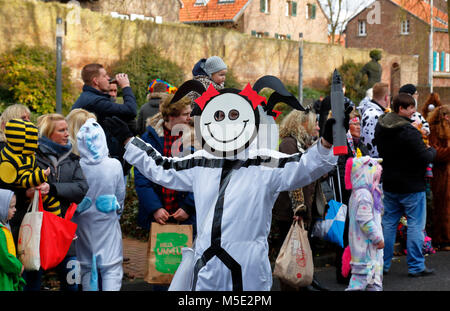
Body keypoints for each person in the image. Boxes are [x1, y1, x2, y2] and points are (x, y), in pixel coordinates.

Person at [103, 76, 348, 291]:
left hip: (248, 267)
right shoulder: (201, 162)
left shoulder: (265, 163)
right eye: (219, 116)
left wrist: (327, 143)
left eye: (234, 116)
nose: (226, 123)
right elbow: (162, 168)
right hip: (208, 264)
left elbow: (305, 166)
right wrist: (128, 141)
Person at [21, 113, 88, 291]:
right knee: (32, 283)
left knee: (72, 284)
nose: (67, 134)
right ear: (48, 133)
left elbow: (82, 188)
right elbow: (19, 187)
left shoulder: (73, 158)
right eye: (62, 130)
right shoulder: (31, 157)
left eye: (67, 129)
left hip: (65, 231)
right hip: (38, 232)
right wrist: (27, 192)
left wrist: (53, 189)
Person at [374, 93, 436, 277]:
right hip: (412, 185)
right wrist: (431, 151)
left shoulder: (381, 126)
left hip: (391, 183)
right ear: (401, 109)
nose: (414, 112)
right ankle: (416, 266)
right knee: (416, 225)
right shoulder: (409, 132)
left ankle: (382, 264)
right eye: (411, 108)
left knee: (388, 224)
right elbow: (425, 157)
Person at [270, 108, 328, 291]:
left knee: (300, 252)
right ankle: (292, 286)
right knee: (289, 256)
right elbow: (292, 178)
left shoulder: (305, 144)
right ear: (302, 124)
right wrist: (298, 208)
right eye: (314, 123)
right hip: (290, 210)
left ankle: (303, 282)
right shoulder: (289, 144)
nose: (318, 128)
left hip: (303, 208)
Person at [73, 118, 125, 291]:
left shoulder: (77, 165)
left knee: (87, 267)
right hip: (107, 220)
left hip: (83, 222)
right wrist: (117, 212)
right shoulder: (114, 165)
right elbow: (120, 194)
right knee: (112, 267)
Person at [134, 94, 196, 233]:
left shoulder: (195, 139)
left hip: (186, 212)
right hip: (159, 214)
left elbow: (202, 176)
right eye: (185, 114)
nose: (189, 118)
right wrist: (155, 207)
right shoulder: (149, 138)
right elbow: (142, 176)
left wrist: (188, 207)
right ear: (172, 116)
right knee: (159, 254)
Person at [71, 63, 138, 175]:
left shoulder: (90, 98)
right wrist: (126, 86)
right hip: (99, 167)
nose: (109, 79)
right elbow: (131, 111)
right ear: (96, 81)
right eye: (105, 76)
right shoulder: (95, 101)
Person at [332, 115, 369, 285]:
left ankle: (357, 269)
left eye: (359, 123)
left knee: (358, 234)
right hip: (346, 195)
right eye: (355, 123)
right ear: (347, 126)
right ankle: (343, 273)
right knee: (346, 234)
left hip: (360, 195)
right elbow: (339, 169)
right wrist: (350, 184)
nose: (359, 126)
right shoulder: (342, 143)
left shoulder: (360, 144)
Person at [0, 119, 58, 214]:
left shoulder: (29, 156)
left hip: (30, 206)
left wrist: (44, 184)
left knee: (53, 205)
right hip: (13, 213)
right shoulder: (8, 159)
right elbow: (19, 181)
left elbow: (33, 170)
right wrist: (40, 176)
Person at [344, 156, 384, 291]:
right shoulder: (364, 195)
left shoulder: (358, 193)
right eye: (371, 168)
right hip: (365, 253)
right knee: (358, 285)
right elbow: (365, 220)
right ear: (363, 173)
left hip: (367, 252)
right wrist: (377, 238)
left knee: (373, 284)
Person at [427, 105, 450, 251]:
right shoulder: (434, 130)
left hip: (446, 173)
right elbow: (435, 153)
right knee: (441, 206)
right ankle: (441, 238)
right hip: (441, 175)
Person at [0, 189, 25, 291]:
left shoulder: (5, 226)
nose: (15, 209)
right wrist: (18, 267)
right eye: (11, 207)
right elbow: (4, 257)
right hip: (3, 280)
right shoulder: (1, 231)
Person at [360, 82, 390, 158]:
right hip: (375, 163)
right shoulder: (373, 114)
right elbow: (369, 143)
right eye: (389, 96)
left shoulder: (377, 113)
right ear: (386, 97)